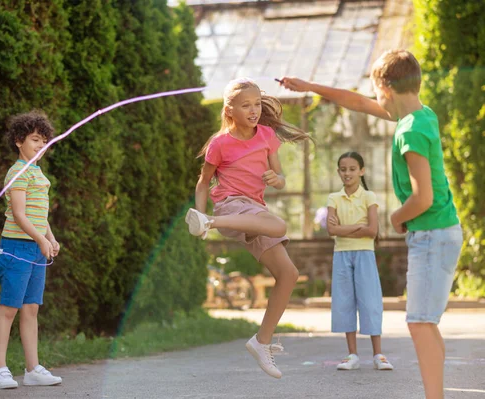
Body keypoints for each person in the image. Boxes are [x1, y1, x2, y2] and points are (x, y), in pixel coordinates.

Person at [280, 49, 462, 399]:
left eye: (377, 91)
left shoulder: (409, 131)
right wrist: (309, 86)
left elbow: (422, 198)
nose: (375, 99)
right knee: (426, 323)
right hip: (440, 232)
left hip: (432, 233)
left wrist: (395, 217)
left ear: (387, 90)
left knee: (421, 323)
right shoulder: (421, 115)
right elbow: (358, 103)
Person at [185, 77, 312, 379]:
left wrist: (275, 179)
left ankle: (261, 341)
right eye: (246, 106)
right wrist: (201, 216)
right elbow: (203, 183)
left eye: (256, 104)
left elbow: (280, 176)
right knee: (278, 224)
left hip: (255, 212)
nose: (254, 110)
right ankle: (212, 223)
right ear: (230, 111)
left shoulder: (266, 135)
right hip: (230, 206)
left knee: (288, 274)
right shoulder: (220, 144)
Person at [0, 110, 63, 389]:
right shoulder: (17, 171)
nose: (40, 146)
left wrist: (50, 238)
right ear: (19, 140)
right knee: (9, 308)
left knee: (31, 308)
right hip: (17, 247)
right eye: (35, 140)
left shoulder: (38, 173)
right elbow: (19, 214)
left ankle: (32, 369)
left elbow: (38, 214)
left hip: (36, 249)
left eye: (44, 142)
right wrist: (40, 240)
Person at [327, 151, 393, 371]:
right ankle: (352, 355)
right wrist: (358, 228)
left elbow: (372, 231)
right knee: (345, 302)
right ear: (338, 172)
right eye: (343, 169)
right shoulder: (333, 198)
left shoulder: (369, 197)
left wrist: (343, 229)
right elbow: (331, 230)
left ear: (361, 171)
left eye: (352, 169)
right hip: (341, 255)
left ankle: (378, 355)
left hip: (365, 254)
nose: (348, 173)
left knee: (370, 301)